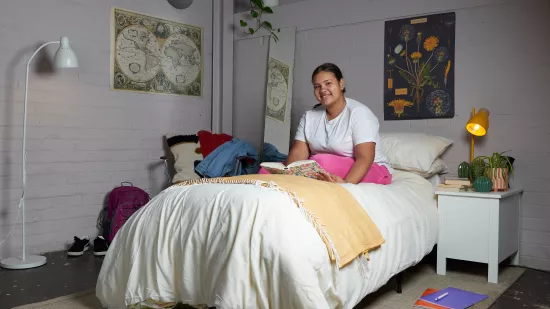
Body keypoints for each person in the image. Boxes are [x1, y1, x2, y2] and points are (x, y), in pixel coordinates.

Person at [285, 63, 393, 185]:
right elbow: (298, 153)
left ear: (341, 84)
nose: (322, 90)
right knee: (264, 171)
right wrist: (286, 174)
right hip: (326, 168)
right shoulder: (309, 116)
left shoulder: (359, 113)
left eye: (328, 83)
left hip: (372, 169)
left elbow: (365, 158)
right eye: (317, 86)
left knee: (321, 161)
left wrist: (346, 184)